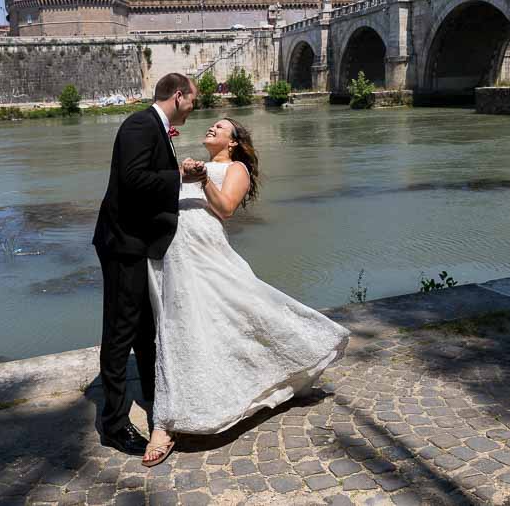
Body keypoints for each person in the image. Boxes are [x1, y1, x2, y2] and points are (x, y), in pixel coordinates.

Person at [142, 118, 351, 466]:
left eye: (219, 127)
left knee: (243, 310)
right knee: (179, 327)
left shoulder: (235, 168)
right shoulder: (188, 164)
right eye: (211, 125)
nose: (211, 128)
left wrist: (203, 179)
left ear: (234, 141)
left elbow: (224, 209)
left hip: (205, 250)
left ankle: (163, 425)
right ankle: (172, 417)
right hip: (173, 251)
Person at [92, 73, 204, 455]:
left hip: (137, 242)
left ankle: (157, 398)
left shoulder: (156, 126)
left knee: (144, 328)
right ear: (178, 96)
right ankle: (113, 423)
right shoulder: (140, 124)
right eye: (193, 100)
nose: (194, 107)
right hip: (124, 244)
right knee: (121, 331)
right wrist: (180, 176)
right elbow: (134, 179)